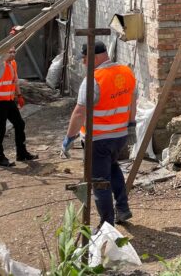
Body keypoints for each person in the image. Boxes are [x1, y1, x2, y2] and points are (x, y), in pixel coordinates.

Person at [61, 41, 137, 227]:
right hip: (119, 136)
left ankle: (106, 226)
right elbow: (133, 100)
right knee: (113, 168)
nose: (84, 63)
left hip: (98, 139)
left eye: (85, 59)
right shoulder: (126, 72)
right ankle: (123, 208)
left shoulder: (93, 79)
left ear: (95, 57)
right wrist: (131, 124)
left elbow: (79, 113)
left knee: (99, 182)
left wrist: (69, 138)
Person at [0, 46, 37, 167]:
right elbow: (1, 56)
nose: (13, 54)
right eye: (9, 52)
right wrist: (13, 37)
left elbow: (14, 80)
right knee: (0, 130)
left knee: (20, 124)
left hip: (9, 100)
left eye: (14, 51)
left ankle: (21, 153)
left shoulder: (12, 63)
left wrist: (19, 95)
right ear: (3, 53)